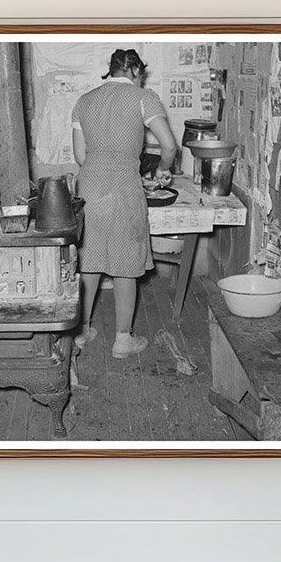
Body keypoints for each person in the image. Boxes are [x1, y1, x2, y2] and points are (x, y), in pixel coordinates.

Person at [71, 48, 178, 358]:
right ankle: (122, 340)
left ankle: (80, 333)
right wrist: (162, 170)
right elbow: (169, 146)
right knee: (126, 264)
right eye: (139, 73)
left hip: (88, 186)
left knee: (88, 262)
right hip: (123, 188)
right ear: (133, 70)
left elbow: (81, 157)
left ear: (112, 70)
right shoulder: (144, 97)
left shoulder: (84, 101)